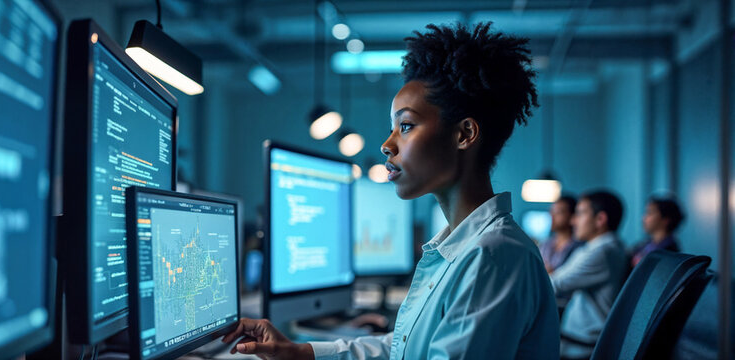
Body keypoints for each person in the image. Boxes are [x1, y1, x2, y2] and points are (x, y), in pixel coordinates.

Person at [222, 22, 560, 359]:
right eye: (392, 128)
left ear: (464, 134)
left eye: (406, 126)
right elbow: (407, 348)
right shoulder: (465, 246)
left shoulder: (492, 256)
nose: (387, 145)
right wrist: (301, 352)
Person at [550, 191, 627, 359]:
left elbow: (554, 284)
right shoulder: (594, 247)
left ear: (600, 219)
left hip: (582, 346)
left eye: (579, 213)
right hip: (575, 339)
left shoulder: (604, 252)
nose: (573, 221)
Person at [630, 195, 685, 267]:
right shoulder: (642, 246)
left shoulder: (671, 254)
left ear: (666, 220)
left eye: (650, 213)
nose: (644, 218)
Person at [540, 195, 582, 274]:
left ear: (572, 216)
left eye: (558, 212)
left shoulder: (579, 247)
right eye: (551, 212)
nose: (552, 216)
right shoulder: (545, 244)